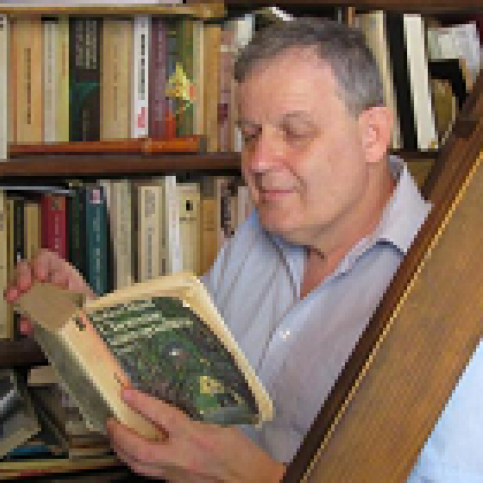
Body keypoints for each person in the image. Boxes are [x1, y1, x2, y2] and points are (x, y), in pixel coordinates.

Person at [10, 16, 473, 481]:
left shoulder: (450, 294)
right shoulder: (257, 235)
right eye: (251, 135)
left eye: (295, 132)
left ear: (372, 134)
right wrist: (91, 325)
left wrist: (252, 476)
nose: (259, 162)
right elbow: (185, 377)